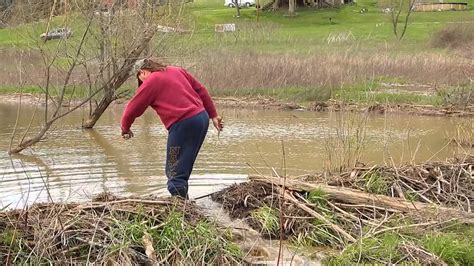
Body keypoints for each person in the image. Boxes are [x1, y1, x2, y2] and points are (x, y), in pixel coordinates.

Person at [120, 58, 223, 198]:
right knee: (184, 165)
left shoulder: (151, 81)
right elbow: (201, 90)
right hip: (201, 119)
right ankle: (185, 203)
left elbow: (133, 107)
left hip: (182, 125)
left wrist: (125, 128)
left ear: (142, 72)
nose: (141, 83)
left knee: (174, 170)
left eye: (139, 79)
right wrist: (213, 115)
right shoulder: (177, 70)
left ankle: (179, 209)